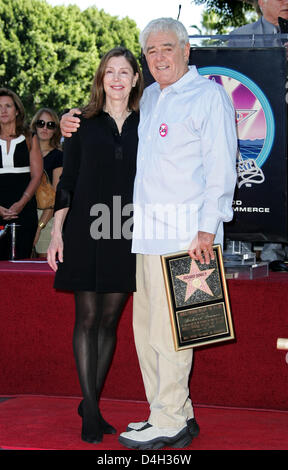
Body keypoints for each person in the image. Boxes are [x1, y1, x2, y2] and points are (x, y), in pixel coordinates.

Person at [60, 18, 237, 450]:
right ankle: (172, 412)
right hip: (144, 238)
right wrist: (69, 120)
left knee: (177, 334)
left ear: (186, 50)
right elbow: (104, 119)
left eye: (167, 48)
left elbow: (222, 169)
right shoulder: (153, 98)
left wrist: (206, 231)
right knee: (148, 335)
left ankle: (171, 418)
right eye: (152, 51)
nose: (159, 57)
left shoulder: (209, 96)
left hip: (189, 239)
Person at [47, 47, 143, 444]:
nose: (117, 79)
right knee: (87, 319)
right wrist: (56, 232)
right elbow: (66, 181)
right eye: (109, 72)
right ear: (101, 79)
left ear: (136, 79)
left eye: (124, 72)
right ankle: (91, 408)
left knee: (109, 320)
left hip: (128, 229)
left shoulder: (148, 122)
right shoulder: (81, 123)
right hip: (86, 229)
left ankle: (90, 403)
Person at [229, 0, 288, 263]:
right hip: (258, 131)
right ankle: (262, 251)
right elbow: (232, 80)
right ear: (261, 2)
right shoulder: (239, 38)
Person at [0, 88, 42, 260]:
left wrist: (21, 203)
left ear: (17, 110)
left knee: (21, 261)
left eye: (8, 106)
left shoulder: (29, 137)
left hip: (24, 208)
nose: (3, 110)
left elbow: (37, 175)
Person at [31, 108, 63, 257]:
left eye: (50, 125)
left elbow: (55, 198)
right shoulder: (23, 153)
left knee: (44, 267)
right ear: (34, 125)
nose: (45, 128)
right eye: (41, 123)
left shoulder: (58, 156)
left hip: (46, 217)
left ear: (55, 130)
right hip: (23, 213)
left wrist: (39, 228)